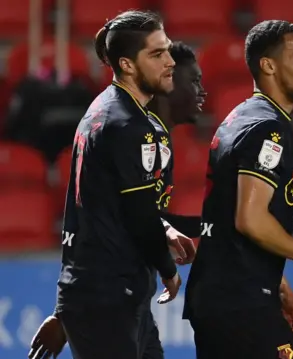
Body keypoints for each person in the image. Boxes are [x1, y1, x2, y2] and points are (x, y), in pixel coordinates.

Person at [30, 11, 198, 359]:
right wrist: (168, 271)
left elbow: (101, 205)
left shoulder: (104, 111)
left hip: (109, 295)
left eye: (167, 50)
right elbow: (137, 216)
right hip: (108, 297)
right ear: (127, 64)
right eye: (156, 54)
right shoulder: (127, 125)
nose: (170, 62)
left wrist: (164, 229)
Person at [183, 20, 293, 359]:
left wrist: (279, 287)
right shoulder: (269, 128)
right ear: (268, 65)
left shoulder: (241, 116)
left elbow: (228, 217)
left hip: (225, 295)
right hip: (239, 301)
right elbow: (250, 219)